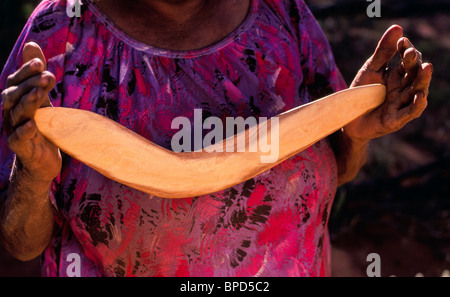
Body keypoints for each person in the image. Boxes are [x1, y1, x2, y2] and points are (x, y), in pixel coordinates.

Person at [0, 0, 432, 276]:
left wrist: (353, 133)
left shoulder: (285, 16)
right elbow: (19, 244)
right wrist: (33, 175)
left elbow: (332, 172)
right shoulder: (63, 35)